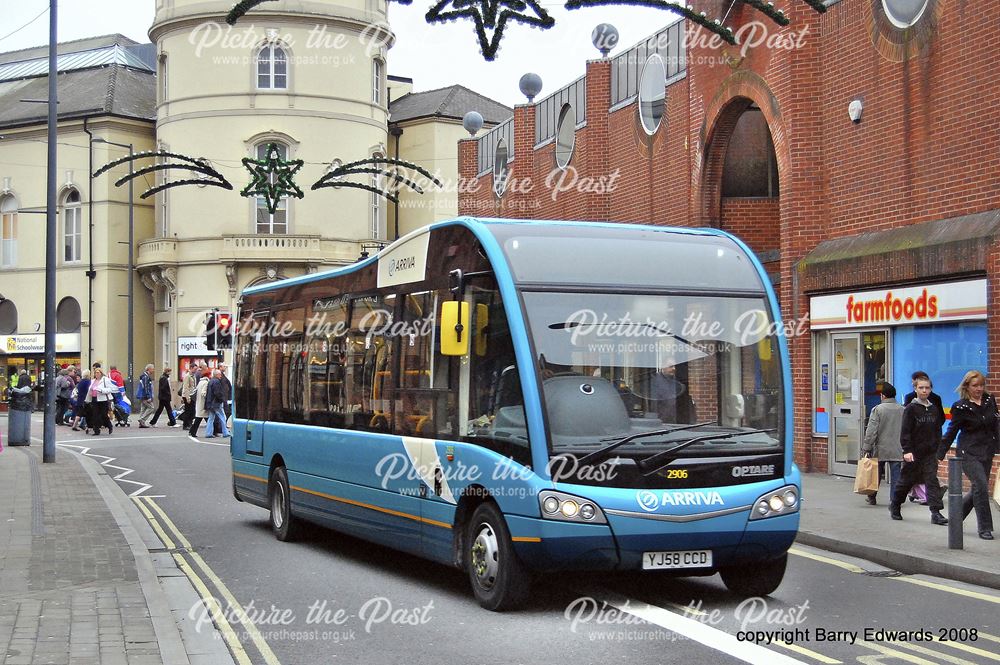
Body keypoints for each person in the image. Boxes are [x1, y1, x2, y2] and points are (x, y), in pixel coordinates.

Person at [939, 370, 997, 540]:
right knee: (980, 486)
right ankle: (985, 528)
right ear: (967, 386)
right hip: (968, 452)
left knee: (977, 489)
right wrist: (940, 453)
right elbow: (951, 431)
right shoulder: (960, 406)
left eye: (981, 385)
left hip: (986, 451)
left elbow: (996, 425)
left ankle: (955, 517)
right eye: (975, 385)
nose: (979, 389)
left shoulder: (989, 400)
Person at [890, 376, 948, 525]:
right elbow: (905, 431)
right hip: (914, 453)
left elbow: (937, 430)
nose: (924, 390)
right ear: (915, 389)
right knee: (906, 482)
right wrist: (907, 450)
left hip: (929, 453)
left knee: (932, 481)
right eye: (921, 388)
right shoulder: (911, 408)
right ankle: (895, 505)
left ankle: (936, 512)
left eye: (927, 388)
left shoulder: (933, 409)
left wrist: (937, 448)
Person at [861, 382, 904, 505]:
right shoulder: (902, 409)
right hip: (897, 447)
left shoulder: (878, 409)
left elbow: (871, 431)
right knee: (896, 476)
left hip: (881, 447)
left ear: (883, 396)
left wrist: (867, 447)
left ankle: (872, 496)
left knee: (876, 474)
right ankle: (895, 500)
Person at [84, 367, 118, 436]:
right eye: (95, 373)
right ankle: (96, 430)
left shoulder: (105, 380)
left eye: (98, 372)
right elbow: (90, 390)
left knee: (103, 414)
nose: (96, 374)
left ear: (101, 373)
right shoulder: (93, 381)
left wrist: (101, 390)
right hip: (94, 399)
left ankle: (109, 425)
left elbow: (110, 389)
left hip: (103, 399)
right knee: (95, 415)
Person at [204, 369, 230, 438]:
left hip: (210, 403)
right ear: (217, 375)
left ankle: (208, 433)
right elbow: (217, 393)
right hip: (216, 403)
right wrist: (222, 399)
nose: (221, 376)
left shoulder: (211, 381)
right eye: (219, 374)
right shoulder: (216, 382)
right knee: (222, 417)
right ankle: (225, 432)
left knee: (211, 418)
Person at [188, 371, 211, 437]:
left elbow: (195, 391)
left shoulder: (200, 382)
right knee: (207, 419)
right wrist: (207, 398)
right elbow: (203, 393)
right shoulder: (206, 383)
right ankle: (212, 431)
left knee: (199, 418)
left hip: (198, 402)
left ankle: (192, 432)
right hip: (203, 404)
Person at [212, 363, 233, 435]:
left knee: (219, 415)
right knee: (223, 414)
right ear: (220, 367)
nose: (225, 367)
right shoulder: (219, 378)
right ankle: (221, 429)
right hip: (222, 398)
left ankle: (219, 429)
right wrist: (222, 397)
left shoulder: (222, 376)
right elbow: (220, 389)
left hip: (224, 397)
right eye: (224, 366)